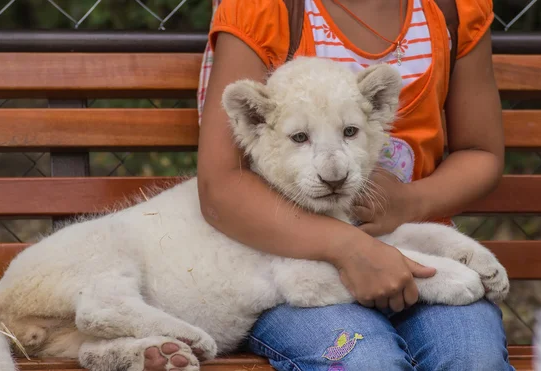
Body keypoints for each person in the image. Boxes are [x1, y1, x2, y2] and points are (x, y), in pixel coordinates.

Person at [144, 0, 513, 369]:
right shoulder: (261, 8)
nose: (334, 172)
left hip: (418, 253)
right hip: (293, 268)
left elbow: (481, 152)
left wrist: (410, 202)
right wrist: (351, 249)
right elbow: (222, 185)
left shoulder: (454, 9)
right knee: (364, 361)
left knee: (472, 359)